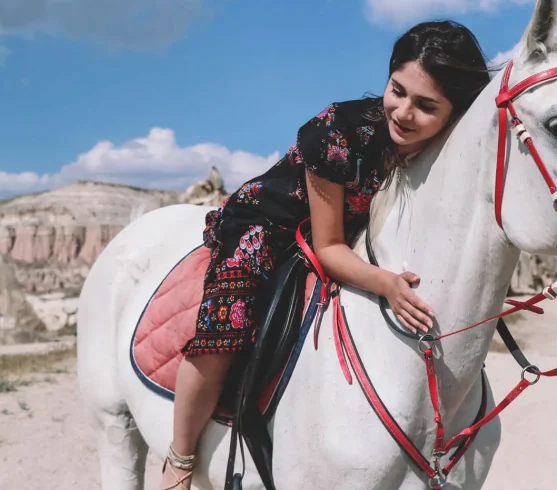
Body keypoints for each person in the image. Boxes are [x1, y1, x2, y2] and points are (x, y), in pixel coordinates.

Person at [159, 19, 493, 490]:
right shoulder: (335, 133)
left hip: (353, 232)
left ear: (453, 113)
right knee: (225, 330)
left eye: (426, 106)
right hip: (270, 225)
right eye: (397, 90)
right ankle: (181, 457)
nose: (403, 112)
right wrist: (387, 284)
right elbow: (329, 245)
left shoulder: (442, 149)